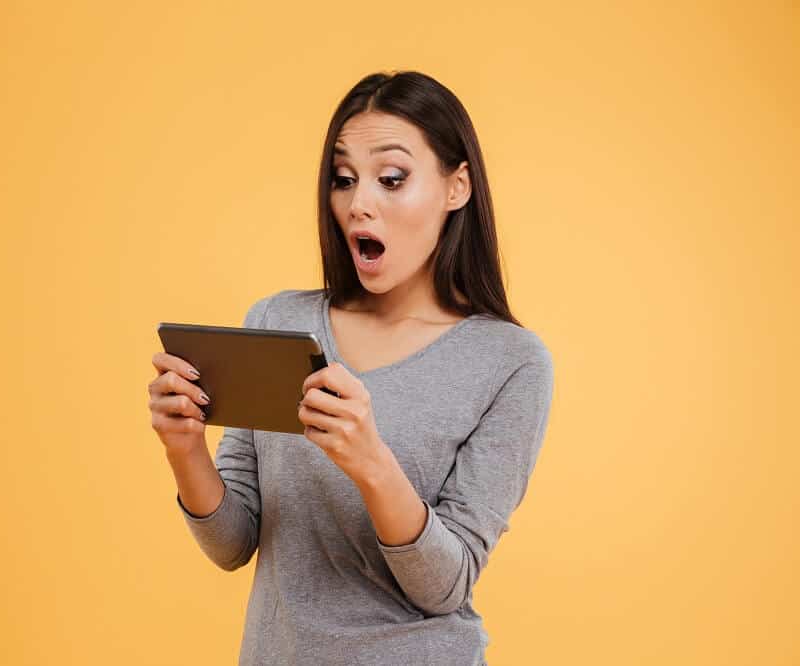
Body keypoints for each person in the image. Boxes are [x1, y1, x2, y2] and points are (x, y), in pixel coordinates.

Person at [148, 70, 555, 666]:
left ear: (456, 187)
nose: (360, 203)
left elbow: (443, 585)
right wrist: (183, 449)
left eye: (392, 179)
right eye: (344, 180)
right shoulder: (278, 322)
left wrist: (370, 461)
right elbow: (234, 544)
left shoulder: (510, 362)